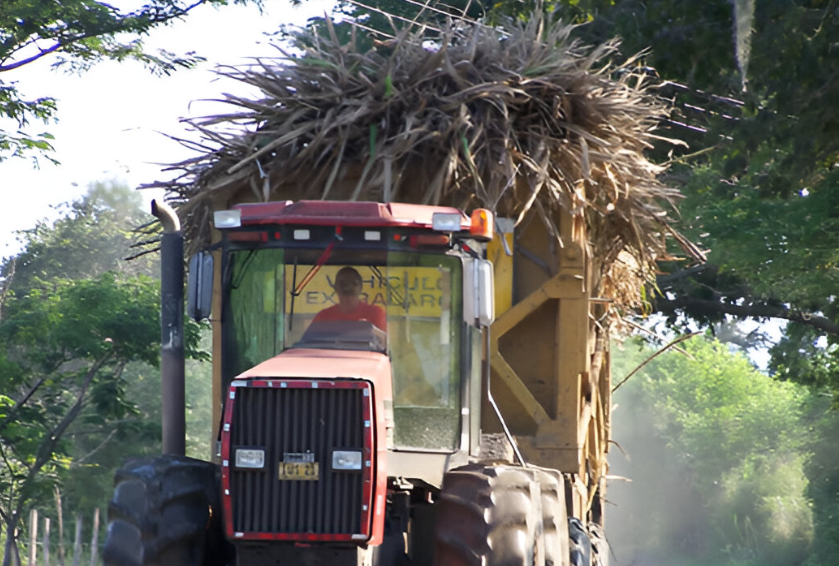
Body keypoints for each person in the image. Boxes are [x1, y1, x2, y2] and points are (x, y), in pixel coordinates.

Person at [312, 267, 387, 330]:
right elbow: (308, 344)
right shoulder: (323, 317)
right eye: (343, 283)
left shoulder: (375, 314)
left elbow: (384, 343)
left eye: (354, 283)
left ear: (361, 287)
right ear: (335, 288)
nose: (348, 287)